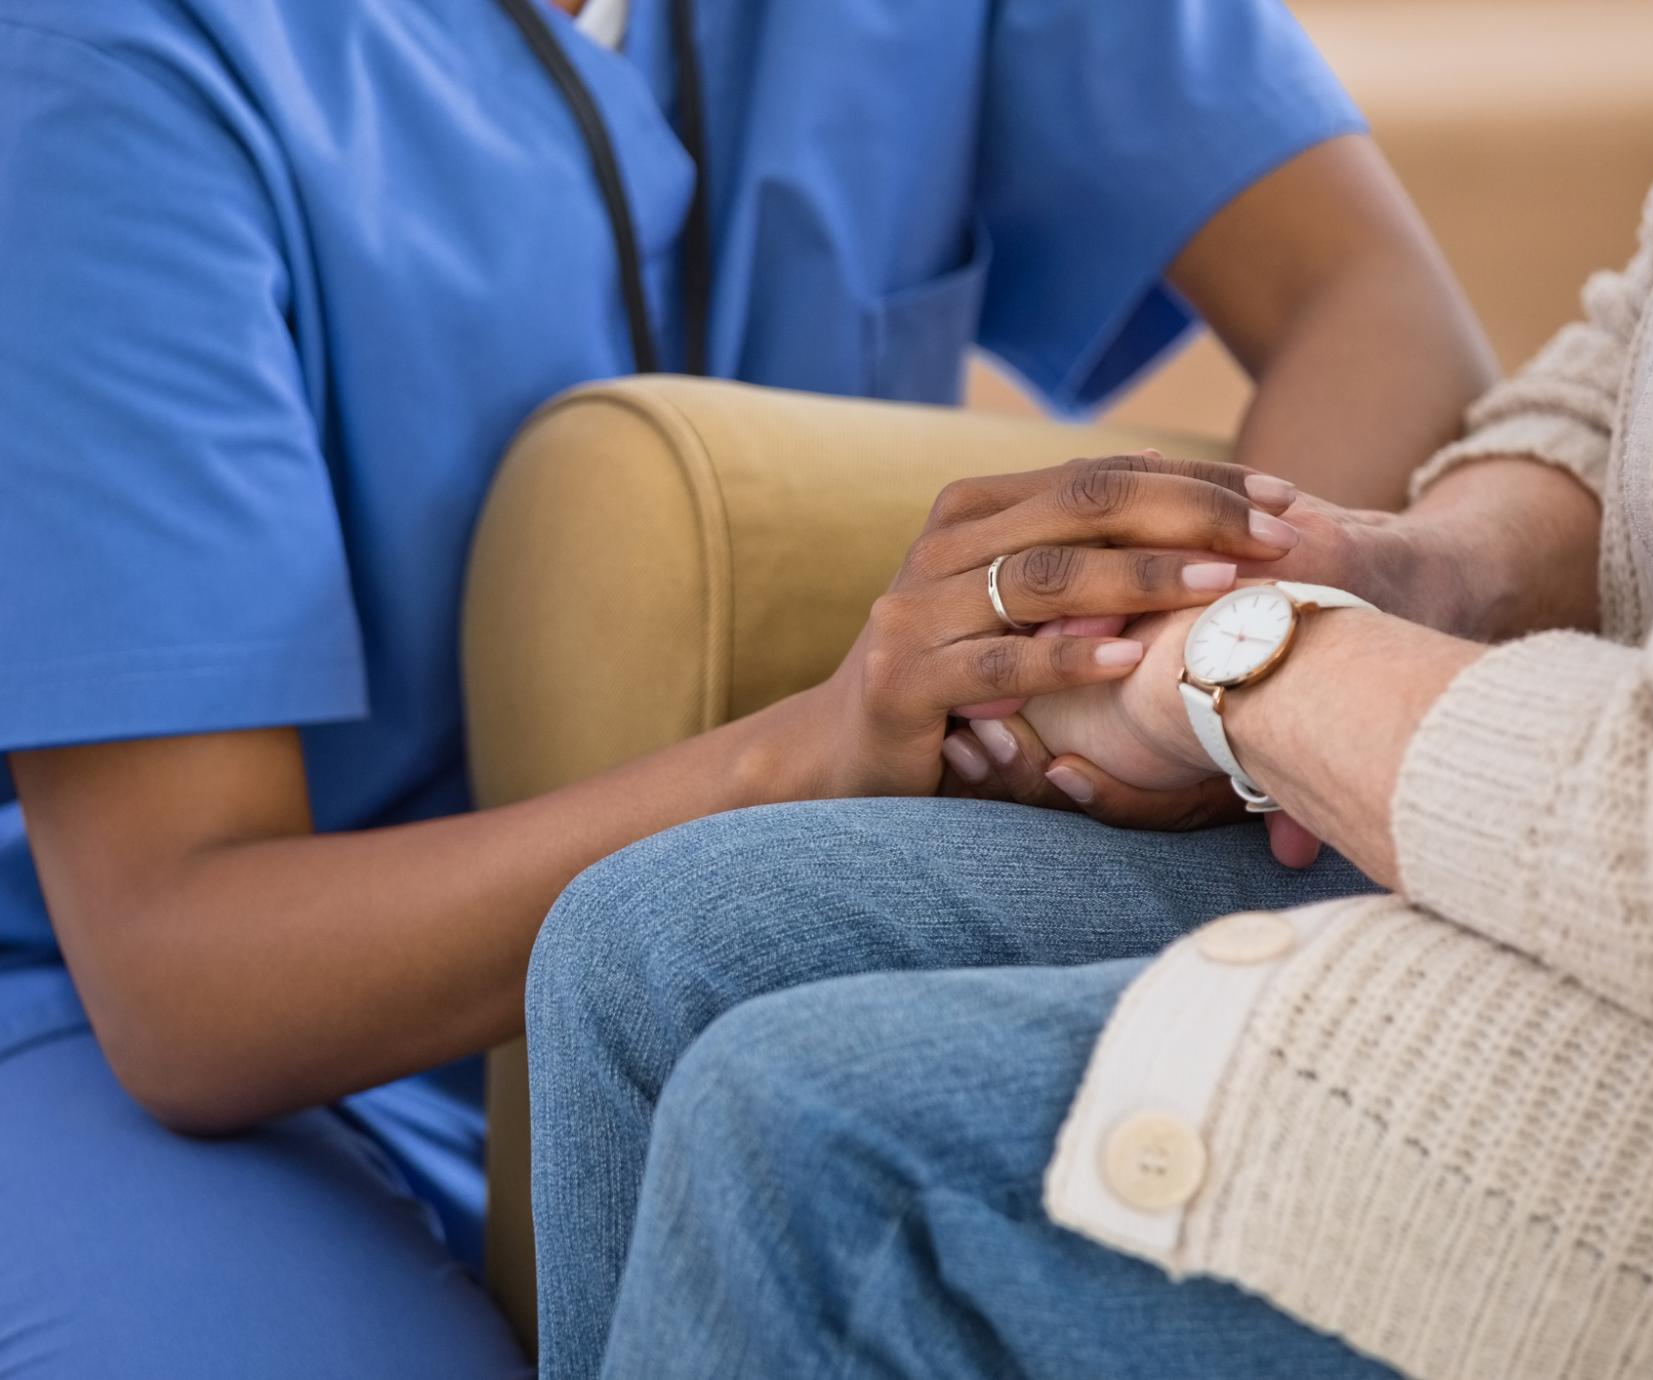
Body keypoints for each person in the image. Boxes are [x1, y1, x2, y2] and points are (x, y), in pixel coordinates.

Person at [0, 0, 1497, 1373]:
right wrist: (823, 750)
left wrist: (1169, 662)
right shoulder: (106, 55)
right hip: (182, 1034)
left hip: (794, 917)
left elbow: (1377, 307)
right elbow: (180, 977)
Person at [525, 0, 1653, 1375]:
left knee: (802, 1138)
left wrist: (1250, 669)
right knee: (644, 943)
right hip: (1607, 842)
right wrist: (1405, 566)